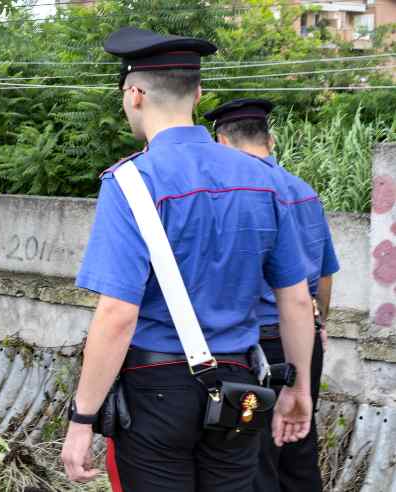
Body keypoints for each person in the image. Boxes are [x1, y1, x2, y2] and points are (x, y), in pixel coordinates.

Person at [60, 27, 316, 492]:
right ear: (197, 93)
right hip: (241, 386)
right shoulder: (263, 180)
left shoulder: (132, 183)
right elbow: (296, 300)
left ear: (134, 95)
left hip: (155, 387)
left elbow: (118, 313)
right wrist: (297, 391)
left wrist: (82, 419)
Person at [204, 98, 340, 492]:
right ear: (272, 140)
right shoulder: (303, 191)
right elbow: (325, 274)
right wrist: (318, 325)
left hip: (253, 346)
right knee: (299, 446)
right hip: (303, 342)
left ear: (222, 144)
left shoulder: (231, 195)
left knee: (253, 455)